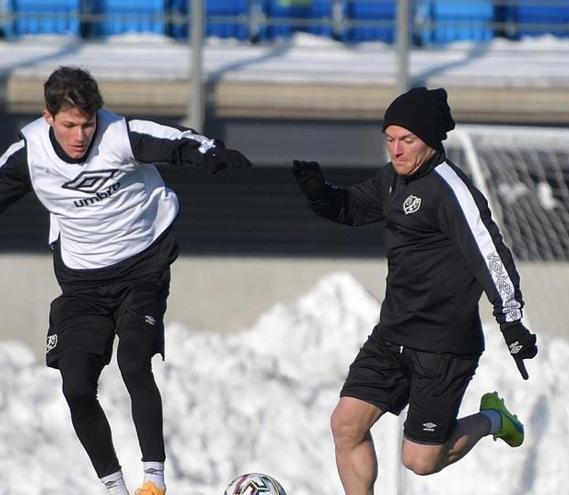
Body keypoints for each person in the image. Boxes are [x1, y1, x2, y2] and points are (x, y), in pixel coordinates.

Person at [0, 66, 252, 494]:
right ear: (48, 118)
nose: (80, 136)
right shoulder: (29, 154)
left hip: (143, 269)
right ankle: (114, 487)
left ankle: (153, 481)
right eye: (69, 126)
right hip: (81, 283)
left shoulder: (119, 135)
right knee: (77, 385)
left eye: (87, 124)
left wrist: (211, 154)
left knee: (134, 360)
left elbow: (178, 141)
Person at [291, 87, 538, 494]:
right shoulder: (392, 180)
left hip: (442, 346)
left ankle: (493, 419)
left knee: (420, 461)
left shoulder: (452, 192)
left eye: (406, 140)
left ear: (430, 141)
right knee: (345, 425)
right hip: (392, 335)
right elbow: (353, 208)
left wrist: (511, 321)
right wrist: (321, 195)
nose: (396, 150)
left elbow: (491, 255)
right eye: (389, 139)